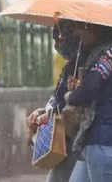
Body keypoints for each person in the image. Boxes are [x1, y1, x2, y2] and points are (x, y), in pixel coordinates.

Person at [64, 22, 112, 182]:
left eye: (82, 27)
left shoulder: (111, 56)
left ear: (95, 29)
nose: (77, 32)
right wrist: (77, 90)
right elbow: (92, 90)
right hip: (96, 141)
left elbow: (88, 90)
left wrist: (71, 95)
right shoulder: (102, 56)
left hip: (108, 142)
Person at [27, 20, 83, 182]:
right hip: (66, 140)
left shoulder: (87, 66)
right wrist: (44, 111)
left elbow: (75, 104)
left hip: (79, 141)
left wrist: (55, 111)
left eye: (62, 39)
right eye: (56, 39)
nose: (58, 44)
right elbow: (58, 97)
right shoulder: (69, 67)